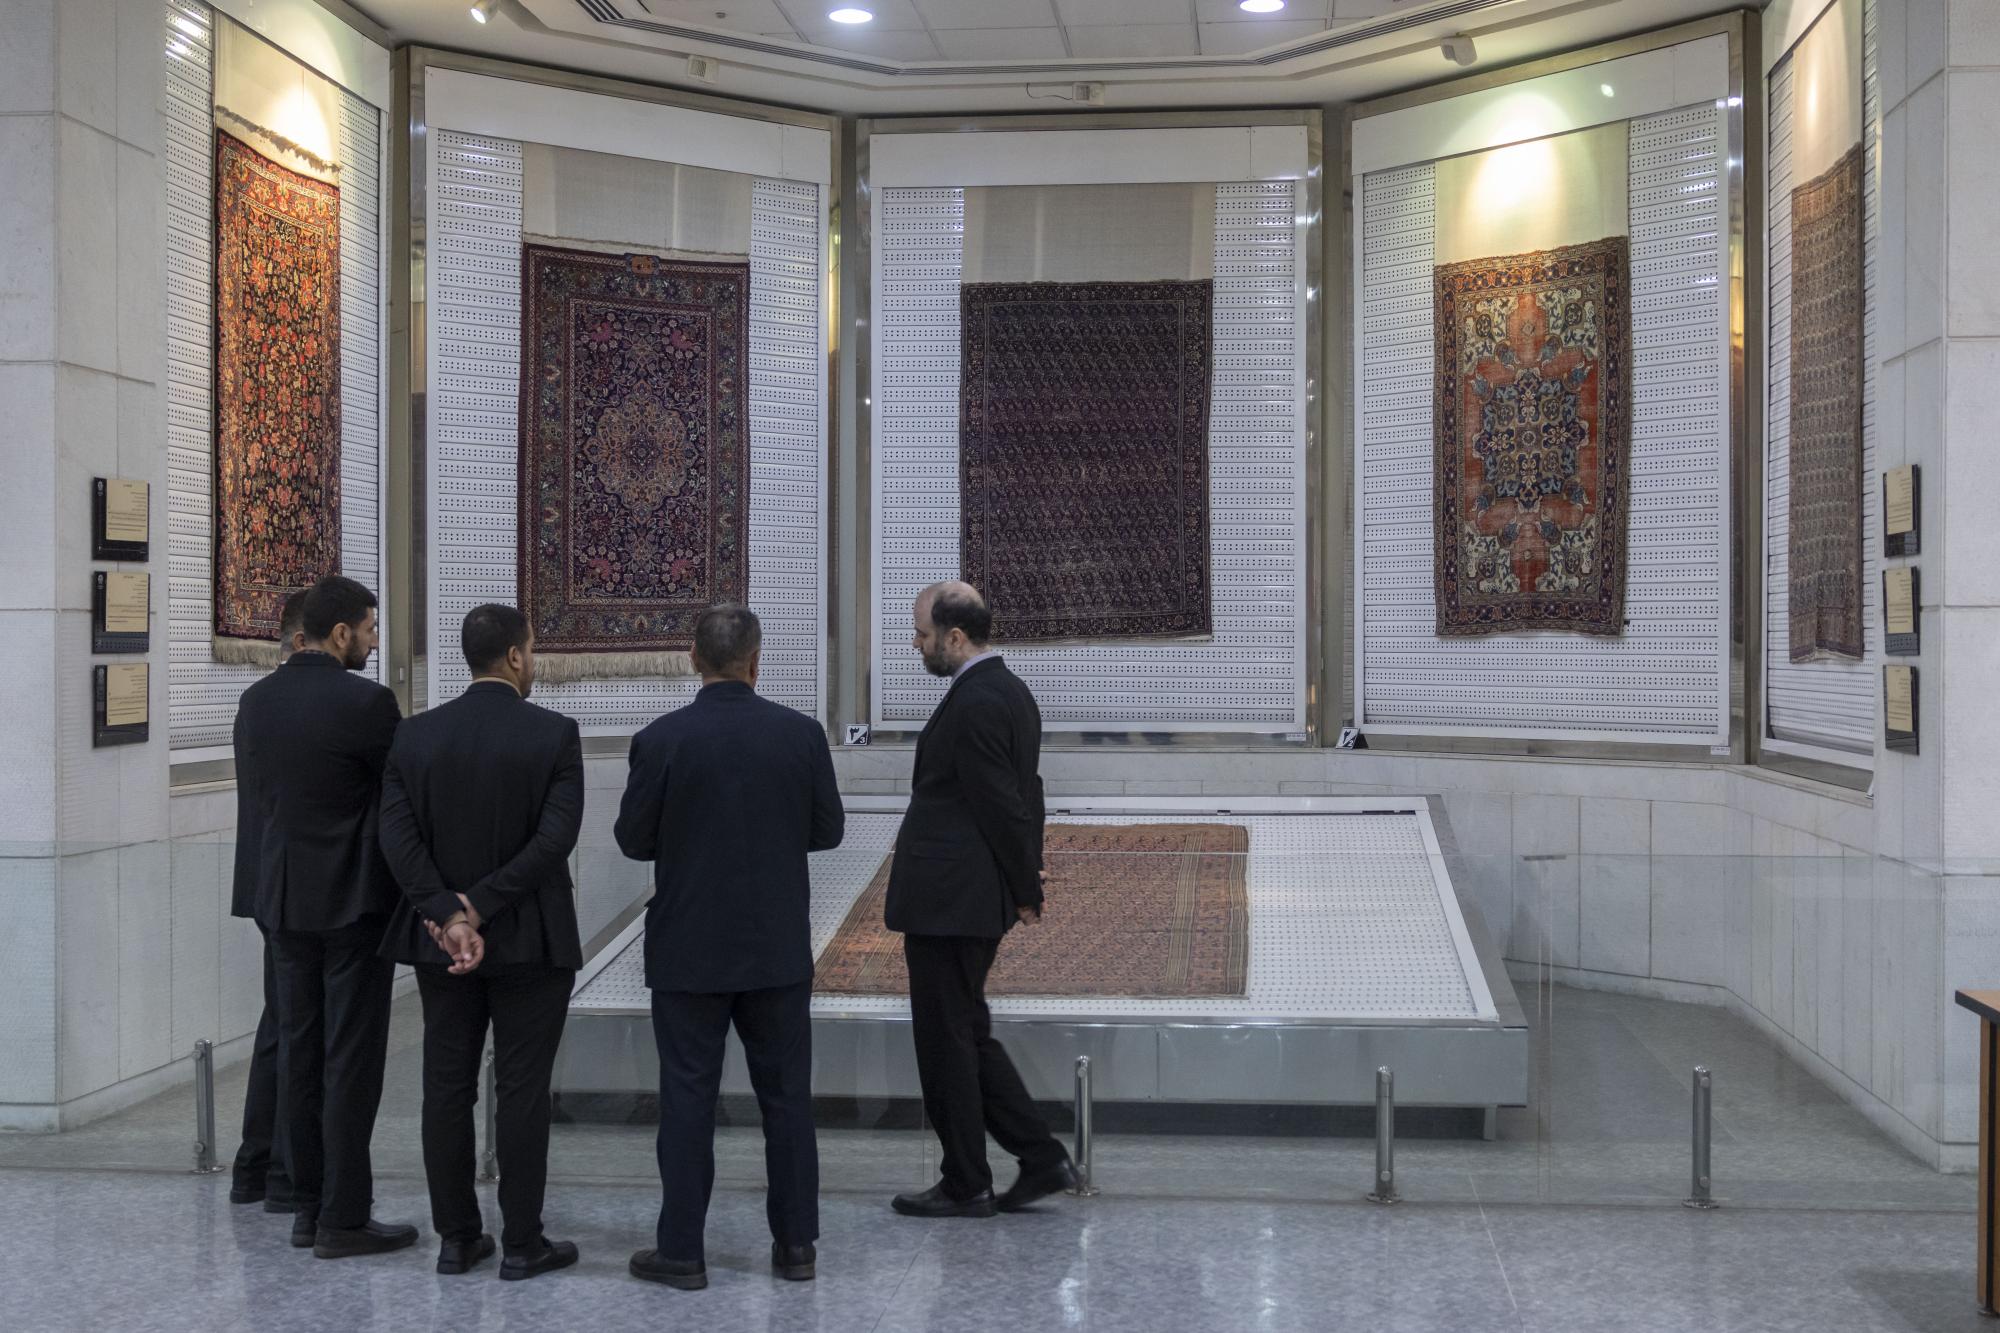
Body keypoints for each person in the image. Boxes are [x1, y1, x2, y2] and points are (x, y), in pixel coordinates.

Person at [615, 605, 843, 1292]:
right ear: (755, 661)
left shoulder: (660, 739)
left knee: (687, 1099)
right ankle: (797, 1246)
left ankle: (682, 1251)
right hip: (775, 947)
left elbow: (633, 840)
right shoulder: (800, 734)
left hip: (688, 949)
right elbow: (828, 830)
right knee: (787, 1100)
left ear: (693, 659)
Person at [377, 603, 585, 1281]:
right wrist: (482, 905)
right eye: (533, 649)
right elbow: (554, 840)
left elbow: (397, 840)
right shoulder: (554, 734)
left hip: (442, 944)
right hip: (532, 939)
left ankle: (457, 1238)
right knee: (522, 1090)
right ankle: (523, 1243)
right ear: (517, 656)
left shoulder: (414, 736)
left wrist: (449, 913)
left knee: (446, 1087)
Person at [234, 574, 416, 1259]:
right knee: (350, 1061)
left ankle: (303, 1203)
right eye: (369, 629)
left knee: (299, 1053)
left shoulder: (256, 701)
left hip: (281, 902)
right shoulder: (368, 703)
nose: (372, 640)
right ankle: (343, 1216)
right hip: (351, 905)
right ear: (340, 633)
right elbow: (399, 797)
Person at [888, 582, 1077, 1218]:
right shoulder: (1009, 691)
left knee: (947, 1042)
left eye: (923, 635)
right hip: (966, 896)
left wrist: (1026, 887)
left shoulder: (977, 701)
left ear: (955, 637)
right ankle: (1040, 1157)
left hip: (952, 902)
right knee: (966, 1032)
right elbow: (1029, 791)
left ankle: (967, 1181)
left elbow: (1002, 803)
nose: (917, 645)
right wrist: (1024, 877)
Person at [229, 589, 308, 1212]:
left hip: (266, 881)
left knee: (278, 1023)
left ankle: (256, 1164)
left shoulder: (255, 702)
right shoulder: (289, 702)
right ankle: (281, 1170)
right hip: (299, 886)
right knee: (294, 1028)